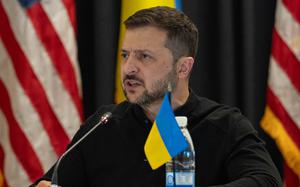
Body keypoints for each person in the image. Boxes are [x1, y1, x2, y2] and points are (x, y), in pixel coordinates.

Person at [32, 6, 282, 187]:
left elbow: (266, 181)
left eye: (144, 56)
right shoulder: (104, 124)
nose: (129, 68)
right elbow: (51, 181)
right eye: (125, 55)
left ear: (183, 67)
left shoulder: (223, 125)